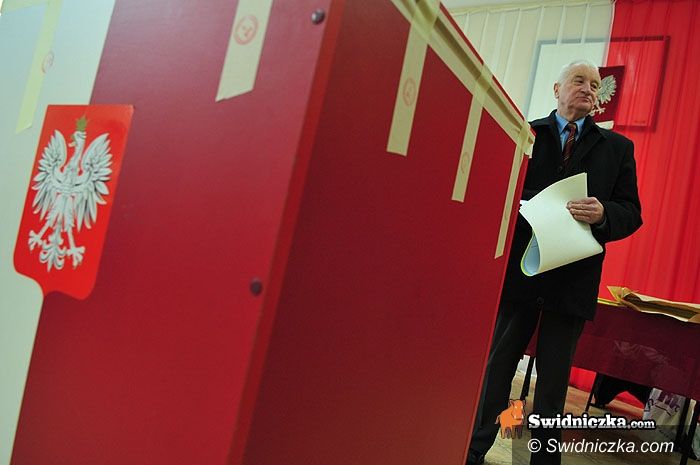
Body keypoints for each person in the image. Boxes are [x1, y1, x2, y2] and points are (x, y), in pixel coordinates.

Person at [466, 60, 642, 465]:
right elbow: (497, 188)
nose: (588, 89)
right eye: (579, 80)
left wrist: (604, 214)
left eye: (595, 85)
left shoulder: (618, 149)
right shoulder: (525, 135)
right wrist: (534, 203)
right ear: (556, 89)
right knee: (497, 370)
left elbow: (631, 212)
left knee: (553, 384)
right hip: (522, 274)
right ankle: (474, 450)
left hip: (573, 281)